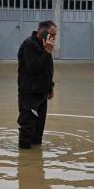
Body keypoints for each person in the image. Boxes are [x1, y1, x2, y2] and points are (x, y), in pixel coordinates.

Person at [17, 20, 57, 149]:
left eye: (55, 35)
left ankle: (36, 163)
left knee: (38, 132)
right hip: (29, 94)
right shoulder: (29, 44)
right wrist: (46, 52)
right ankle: (25, 162)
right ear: (42, 32)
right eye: (52, 35)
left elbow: (47, 68)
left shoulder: (45, 46)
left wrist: (50, 86)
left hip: (42, 94)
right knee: (27, 129)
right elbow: (33, 68)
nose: (54, 38)